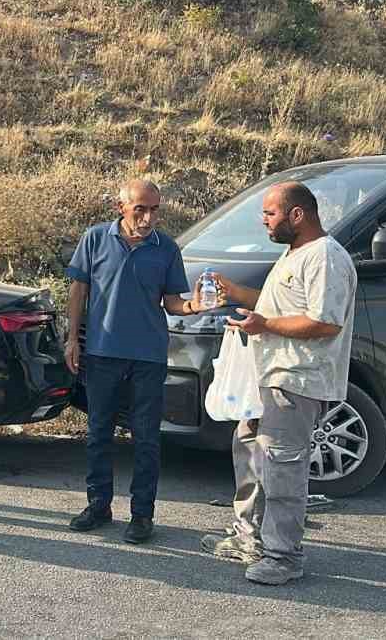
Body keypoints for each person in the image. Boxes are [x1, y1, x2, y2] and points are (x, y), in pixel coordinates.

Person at [201, 182, 357, 586]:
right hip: (269, 377)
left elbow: (325, 322)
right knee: (253, 456)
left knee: (284, 470)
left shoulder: (324, 257)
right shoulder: (296, 254)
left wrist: (264, 324)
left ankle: (284, 557)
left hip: (297, 381)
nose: (264, 221)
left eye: (270, 214)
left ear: (297, 215)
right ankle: (250, 538)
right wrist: (236, 295)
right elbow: (279, 307)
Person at [64, 179, 194, 543]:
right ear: (121, 207)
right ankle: (98, 506)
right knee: (98, 433)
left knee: (147, 438)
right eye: (141, 209)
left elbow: (172, 302)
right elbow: (78, 290)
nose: (148, 217)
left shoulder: (166, 248)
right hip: (103, 353)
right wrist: (72, 339)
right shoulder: (94, 239)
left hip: (148, 357)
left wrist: (194, 305)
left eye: (154, 209)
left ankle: (142, 515)